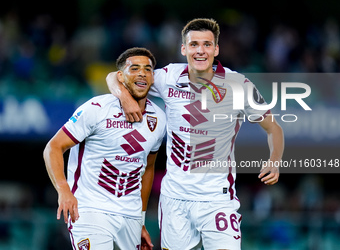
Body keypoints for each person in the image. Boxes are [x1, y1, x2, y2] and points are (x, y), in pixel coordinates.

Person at [106, 18, 284, 250]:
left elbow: (274, 128)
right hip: (175, 200)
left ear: (216, 49)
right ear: (183, 48)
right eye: (194, 44)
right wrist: (125, 97)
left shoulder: (238, 84)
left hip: (217, 200)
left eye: (207, 44)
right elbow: (115, 76)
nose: (200, 50)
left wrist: (275, 160)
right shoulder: (169, 76)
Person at [43, 47, 166, 250]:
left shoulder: (159, 119)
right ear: (120, 76)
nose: (142, 73)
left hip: (130, 215)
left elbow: (148, 168)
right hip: (90, 209)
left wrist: (141, 219)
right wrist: (63, 189)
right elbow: (53, 147)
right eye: (134, 68)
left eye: (148, 69)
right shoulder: (96, 108)